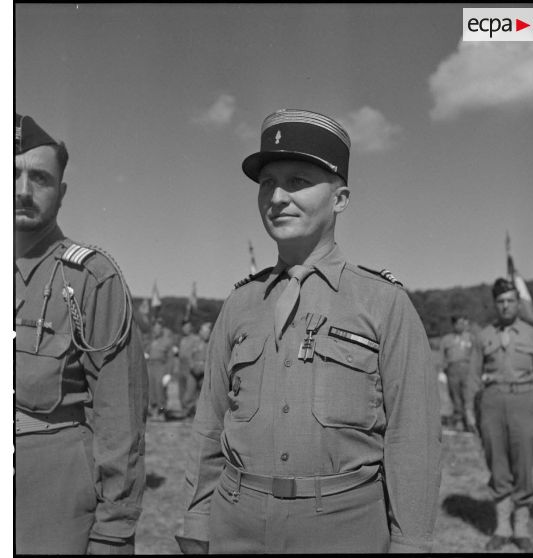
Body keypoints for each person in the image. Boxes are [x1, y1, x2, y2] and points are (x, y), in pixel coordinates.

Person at [177, 109, 441, 554]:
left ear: (340, 199)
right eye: (266, 183)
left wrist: (410, 542)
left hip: (343, 528)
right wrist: (197, 516)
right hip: (236, 522)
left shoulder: (383, 303)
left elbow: (412, 438)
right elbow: (210, 422)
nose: (277, 197)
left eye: (298, 181)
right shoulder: (241, 304)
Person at [14, 113, 148, 554]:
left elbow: (120, 422)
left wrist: (113, 531)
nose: (21, 190)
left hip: (50, 500)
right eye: (11, 173)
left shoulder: (92, 279)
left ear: (62, 192)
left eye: (39, 178)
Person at [471, 278, 533, 552]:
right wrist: (469, 410)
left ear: (517, 303)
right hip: (492, 403)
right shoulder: (483, 335)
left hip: (524, 401)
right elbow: (473, 377)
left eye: (510, 300)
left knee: (524, 464)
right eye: (501, 301)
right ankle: (503, 527)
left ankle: (522, 528)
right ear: (495, 304)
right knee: (497, 463)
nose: (506, 305)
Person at [440, 314, 475, 431]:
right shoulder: (447, 339)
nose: (462, 326)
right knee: (455, 396)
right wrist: (441, 371)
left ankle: (469, 420)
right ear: (454, 325)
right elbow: (442, 356)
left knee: (468, 395)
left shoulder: (471, 338)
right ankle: (458, 420)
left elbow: (477, 355)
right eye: (459, 323)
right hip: (452, 370)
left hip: (468, 369)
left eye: (463, 323)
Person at [181, 321, 212, 417]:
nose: (206, 334)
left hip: (205, 373)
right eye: (204, 331)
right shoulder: (194, 341)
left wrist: (205, 367)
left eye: (208, 332)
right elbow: (188, 355)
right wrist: (192, 365)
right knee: (188, 395)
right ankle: (187, 412)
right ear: (200, 332)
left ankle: (202, 415)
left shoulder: (212, 343)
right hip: (193, 371)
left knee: (205, 396)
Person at [146, 316, 174, 418]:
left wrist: (168, 373)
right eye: (155, 328)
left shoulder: (167, 341)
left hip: (161, 367)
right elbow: (147, 351)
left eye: (159, 328)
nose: (157, 330)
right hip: (150, 366)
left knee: (160, 390)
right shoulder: (151, 340)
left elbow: (170, 358)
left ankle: (162, 411)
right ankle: (153, 410)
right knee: (151, 390)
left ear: (162, 329)